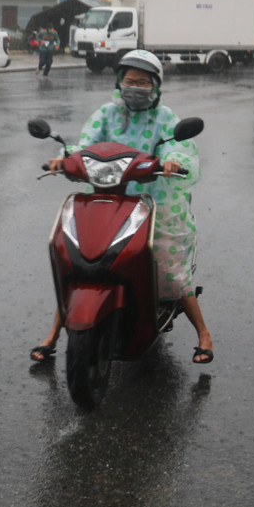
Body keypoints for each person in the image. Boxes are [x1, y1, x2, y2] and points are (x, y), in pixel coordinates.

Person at [32, 49, 215, 363]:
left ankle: (204, 334)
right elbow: (86, 146)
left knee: (168, 271)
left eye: (143, 81)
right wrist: (66, 159)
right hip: (109, 200)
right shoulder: (106, 114)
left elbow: (182, 148)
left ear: (155, 85)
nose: (136, 86)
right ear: (119, 82)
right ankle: (55, 332)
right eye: (130, 80)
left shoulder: (166, 118)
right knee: (81, 263)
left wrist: (174, 162)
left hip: (157, 202)